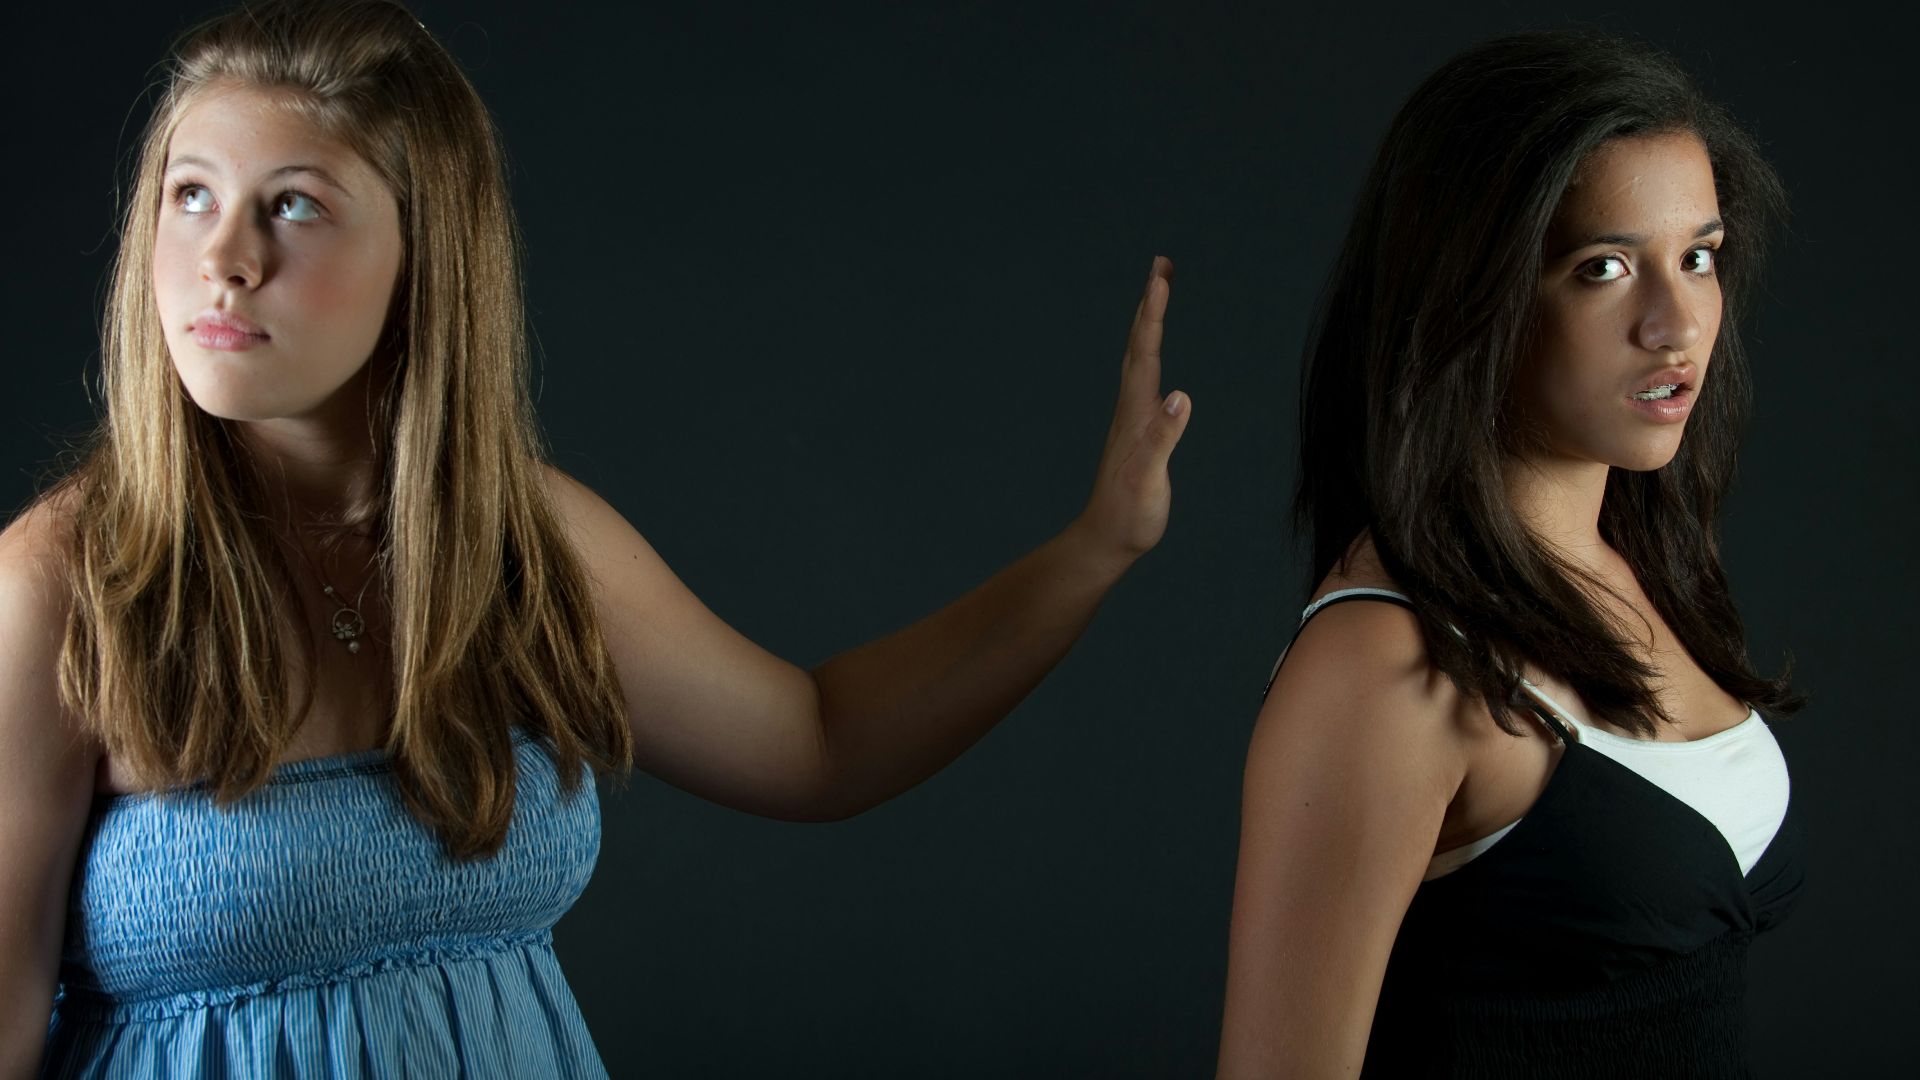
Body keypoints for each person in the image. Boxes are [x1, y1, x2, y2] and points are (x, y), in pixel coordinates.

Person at [0, 1, 1191, 1075]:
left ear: (428, 256)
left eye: (294, 204)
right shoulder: (58, 590)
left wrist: (1092, 552)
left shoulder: (524, 546)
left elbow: (819, 744)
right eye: (190, 193)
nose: (225, 259)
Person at [1218, 30, 1804, 1077]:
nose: (1676, 326)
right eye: (1604, 268)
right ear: (1473, 292)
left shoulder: (1640, 561)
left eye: (1699, 257)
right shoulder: (1388, 671)